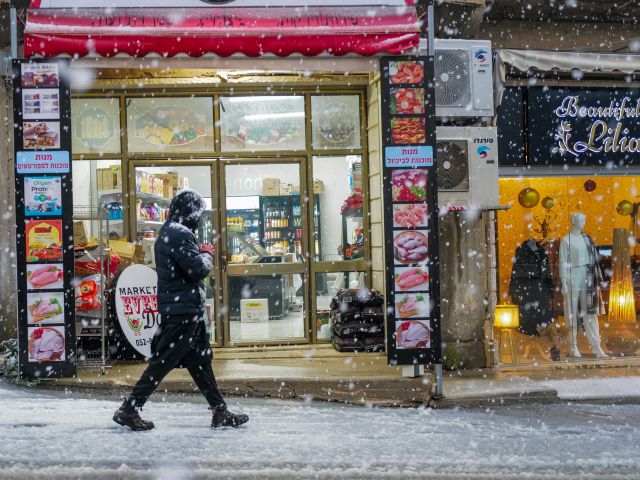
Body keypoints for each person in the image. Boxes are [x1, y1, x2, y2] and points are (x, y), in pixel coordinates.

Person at [113, 189, 249, 431]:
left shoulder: (171, 231)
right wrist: (206, 254)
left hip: (185, 310)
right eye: (198, 213)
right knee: (162, 363)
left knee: (201, 361)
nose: (200, 218)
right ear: (190, 212)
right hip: (182, 312)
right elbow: (197, 269)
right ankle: (129, 409)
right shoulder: (179, 234)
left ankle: (220, 411)